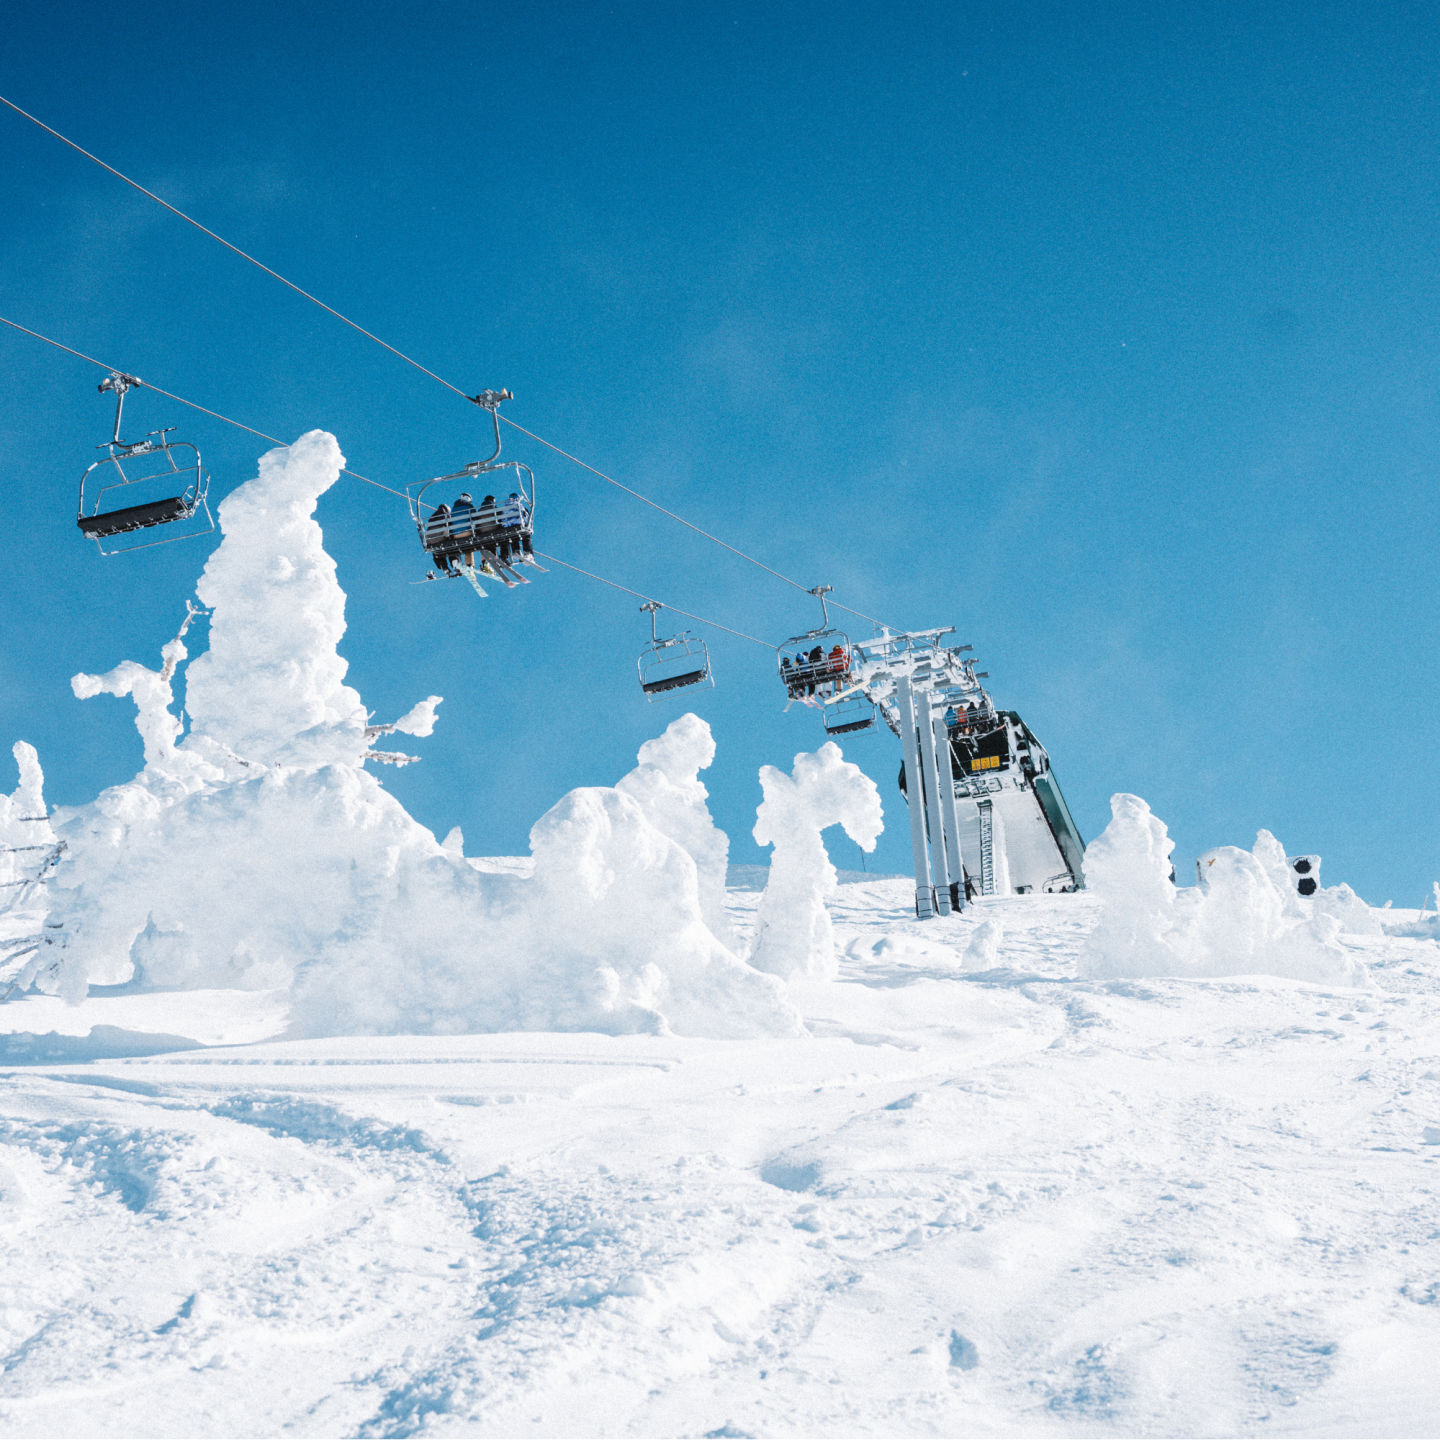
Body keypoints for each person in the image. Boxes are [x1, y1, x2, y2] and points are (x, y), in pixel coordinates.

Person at [425, 502, 456, 575]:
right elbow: (451, 525)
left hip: (431, 539)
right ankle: (455, 564)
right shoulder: (446, 515)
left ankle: (443, 566)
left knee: (436, 551)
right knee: (450, 547)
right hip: (441, 536)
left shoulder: (432, 516)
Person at [450, 492, 477, 568]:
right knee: (469, 547)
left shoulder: (453, 509)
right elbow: (475, 518)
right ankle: (470, 564)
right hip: (467, 532)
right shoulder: (469, 507)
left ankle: (459, 564)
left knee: (464, 546)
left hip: (456, 534)